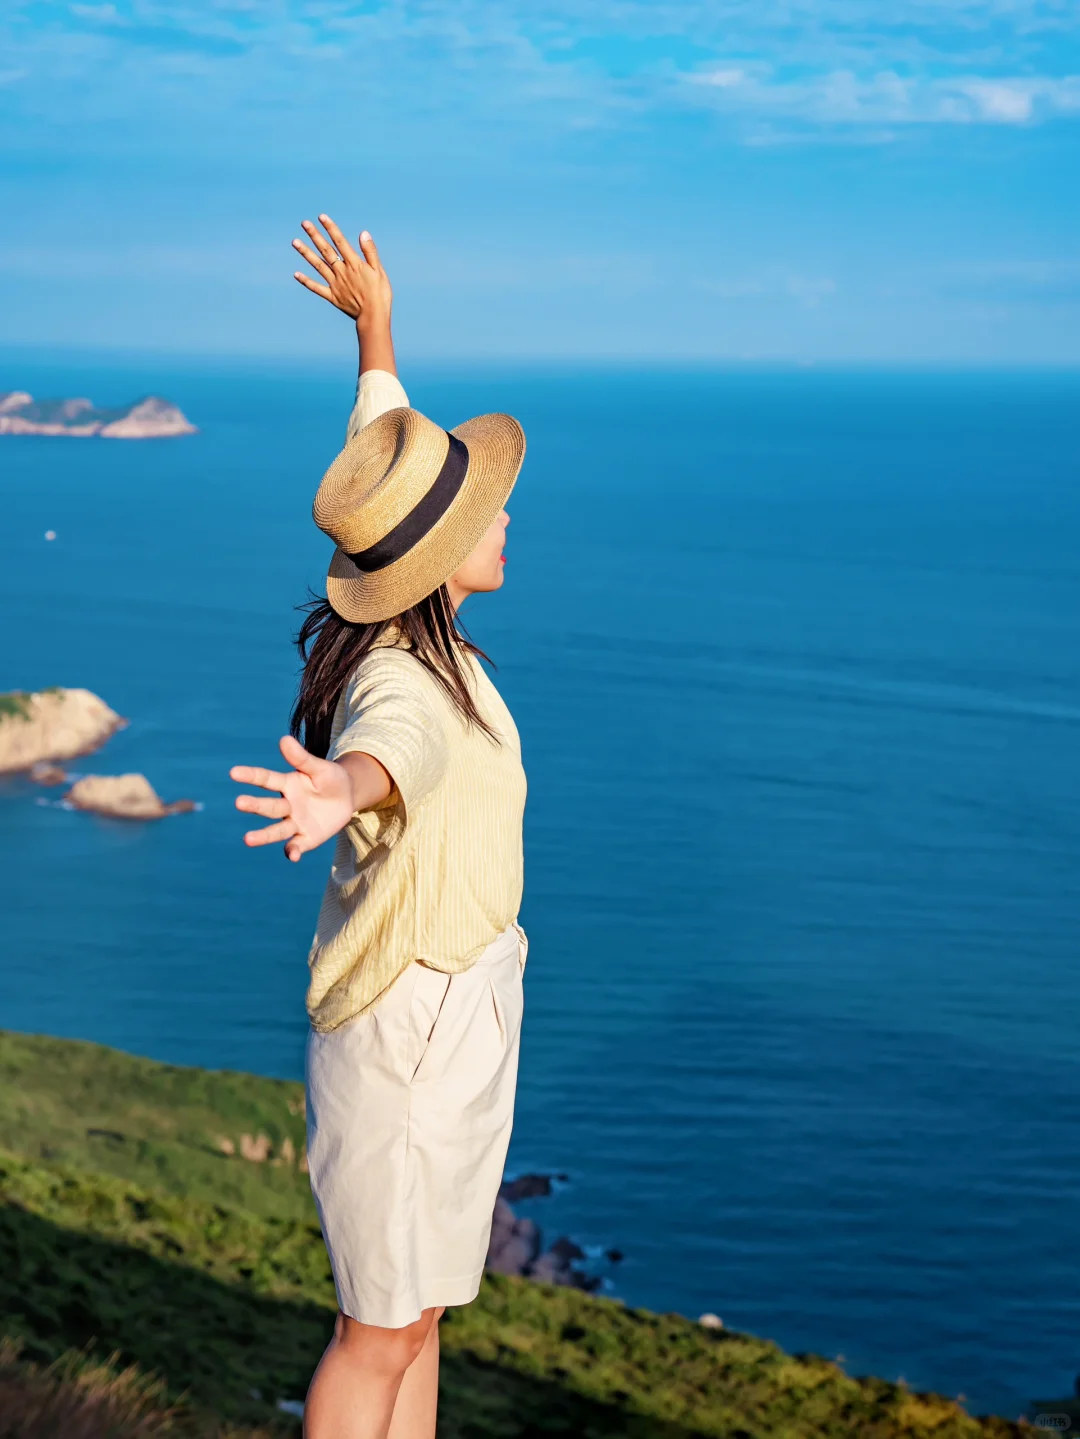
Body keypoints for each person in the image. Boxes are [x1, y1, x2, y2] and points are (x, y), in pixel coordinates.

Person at [230, 215, 528, 1439]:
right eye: (487, 511)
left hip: (463, 1007)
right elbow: (383, 753)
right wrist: (340, 790)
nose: (505, 517)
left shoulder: (419, 613)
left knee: (426, 1310)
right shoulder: (403, 677)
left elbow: (381, 458)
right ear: (442, 557)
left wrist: (374, 327)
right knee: (379, 1327)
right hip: (411, 1023)